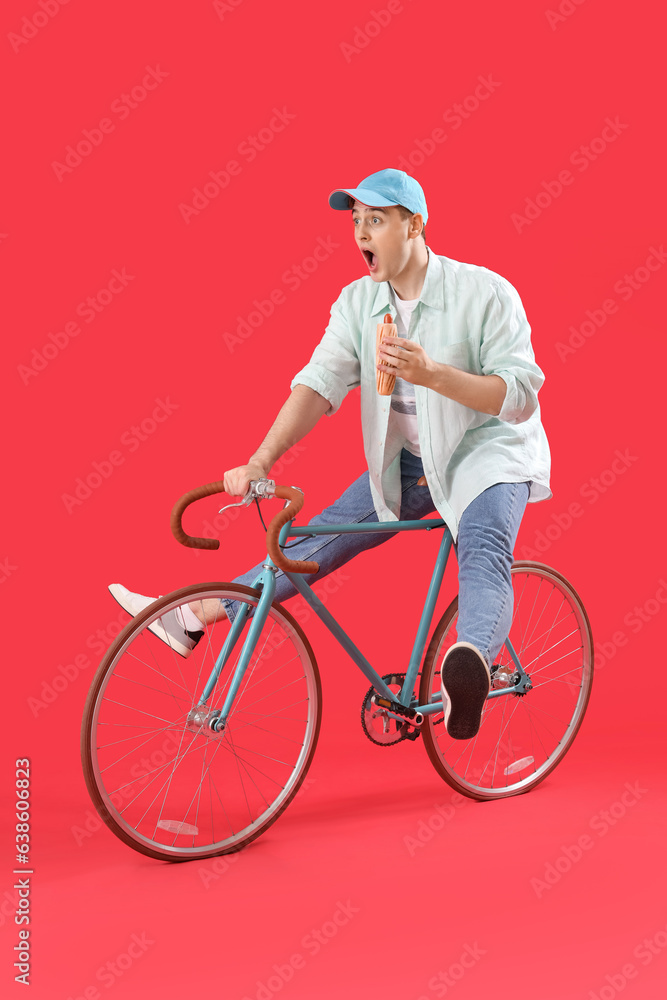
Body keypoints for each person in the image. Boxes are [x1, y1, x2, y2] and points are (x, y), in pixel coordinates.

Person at [110, 168, 551, 740]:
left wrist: (432, 373)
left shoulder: (485, 293)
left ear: (414, 225)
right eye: (356, 222)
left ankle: (467, 668)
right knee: (310, 543)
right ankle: (191, 617)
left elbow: (516, 396)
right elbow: (318, 385)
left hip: (489, 453)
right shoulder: (357, 305)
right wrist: (261, 460)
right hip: (411, 464)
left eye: (376, 219)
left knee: (484, 550)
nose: (361, 233)